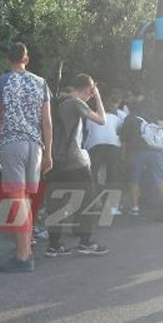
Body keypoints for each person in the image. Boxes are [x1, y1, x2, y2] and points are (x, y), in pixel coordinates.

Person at [0, 42, 52, 273]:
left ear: (8, 59)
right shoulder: (41, 83)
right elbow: (47, 122)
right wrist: (49, 153)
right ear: (27, 59)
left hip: (13, 143)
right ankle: (27, 251)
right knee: (25, 199)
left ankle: (23, 256)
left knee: (17, 200)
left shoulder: (2, 82)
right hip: (36, 145)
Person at [45, 74, 110, 257]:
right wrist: (98, 96)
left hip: (55, 160)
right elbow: (101, 120)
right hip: (74, 161)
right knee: (88, 200)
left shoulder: (57, 102)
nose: (91, 94)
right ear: (87, 88)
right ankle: (85, 242)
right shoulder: (75, 103)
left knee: (56, 203)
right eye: (91, 90)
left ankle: (54, 245)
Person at [120, 100, 163, 217]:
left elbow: (124, 140)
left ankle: (135, 208)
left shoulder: (129, 119)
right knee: (159, 178)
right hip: (155, 152)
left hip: (136, 153)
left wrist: (123, 155)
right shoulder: (152, 118)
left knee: (134, 179)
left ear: (129, 109)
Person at [84, 90, 125, 211]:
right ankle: (112, 206)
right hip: (113, 145)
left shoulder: (91, 117)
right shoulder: (117, 117)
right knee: (113, 174)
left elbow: (88, 133)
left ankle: (95, 203)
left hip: (95, 146)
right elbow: (120, 132)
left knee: (93, 174)